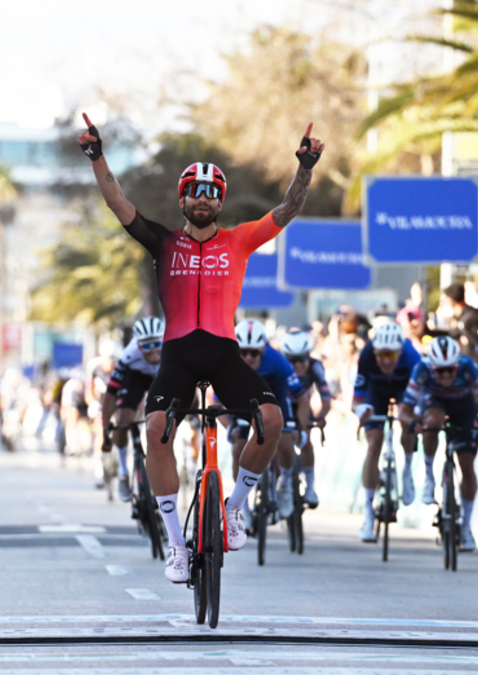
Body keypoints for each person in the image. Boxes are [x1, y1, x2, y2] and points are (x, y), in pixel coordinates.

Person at [77, 113, 323, 582]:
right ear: (184, 200)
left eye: (212, 194)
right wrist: (97, 156)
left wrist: (305, 167)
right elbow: (116, 201)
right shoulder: (163, 243)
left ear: (220, 203)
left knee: (272, 420)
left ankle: (234, 509)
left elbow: (288, 209)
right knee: (155, 431)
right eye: (196, 193)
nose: (204, 200)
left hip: (223, 354)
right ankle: (175, 545)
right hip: (178, 358)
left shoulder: (240, 241)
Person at [399, 335, 478, 552]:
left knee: (466, 465)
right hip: (434, 403)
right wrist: (414, 423)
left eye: (450, 370)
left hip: (464, 407)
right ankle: (429, 477)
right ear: (432, 367)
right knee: (432, 422)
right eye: (440, 371)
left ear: (457, 366)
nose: (445, 375)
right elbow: (404, 411)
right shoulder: (422, 369)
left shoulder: (469, 368)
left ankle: (466, 527)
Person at [231, 320, 310, 521]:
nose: (248, 357)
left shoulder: (277, 361)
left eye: (254, 353)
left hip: (274, 398)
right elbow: (216, 402)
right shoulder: (229, 362)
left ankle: (284, 484)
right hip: (244, 402)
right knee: (237, 449)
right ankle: (242, 506)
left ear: (263, 350)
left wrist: (300, 427)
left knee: (285, 443)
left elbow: (302, 399)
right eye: (244, 352)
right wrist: (228, 426)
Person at [352, 322, 421, 543]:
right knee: (374, 445)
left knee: (407, 422)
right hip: (376, 392)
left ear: (400, 351)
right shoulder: (366, 356)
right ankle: (368, 516)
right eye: (382, 354)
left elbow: (420, 399)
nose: (386, 359)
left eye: (391, 354)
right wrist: (361, 409)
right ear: (375, 351)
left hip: (404, 390)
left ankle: (407, 468)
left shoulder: (412, 358)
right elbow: (356, 400)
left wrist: (412, 415)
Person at [102, 316, 164, 502]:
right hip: (135, 377)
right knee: (122, 420)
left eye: (156, 343)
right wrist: (106, 429)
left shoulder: (172, 349)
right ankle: (123, 471)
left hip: (161, 376)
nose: (152, 349)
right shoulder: (129, 356)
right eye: (145, 345)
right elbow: (110, 394)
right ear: (138, 345)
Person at [279, 328, 332, 507]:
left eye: (302, 358)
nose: (298, 365)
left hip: (303, 405)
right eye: (292, 360)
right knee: (277, 442)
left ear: (309, 355)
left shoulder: (316, 367)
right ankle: (276, 484)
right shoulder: (278, 366)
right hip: (280, 404)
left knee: (305, 438)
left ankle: (310, 487)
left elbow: (326, 397)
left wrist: (321, 416)